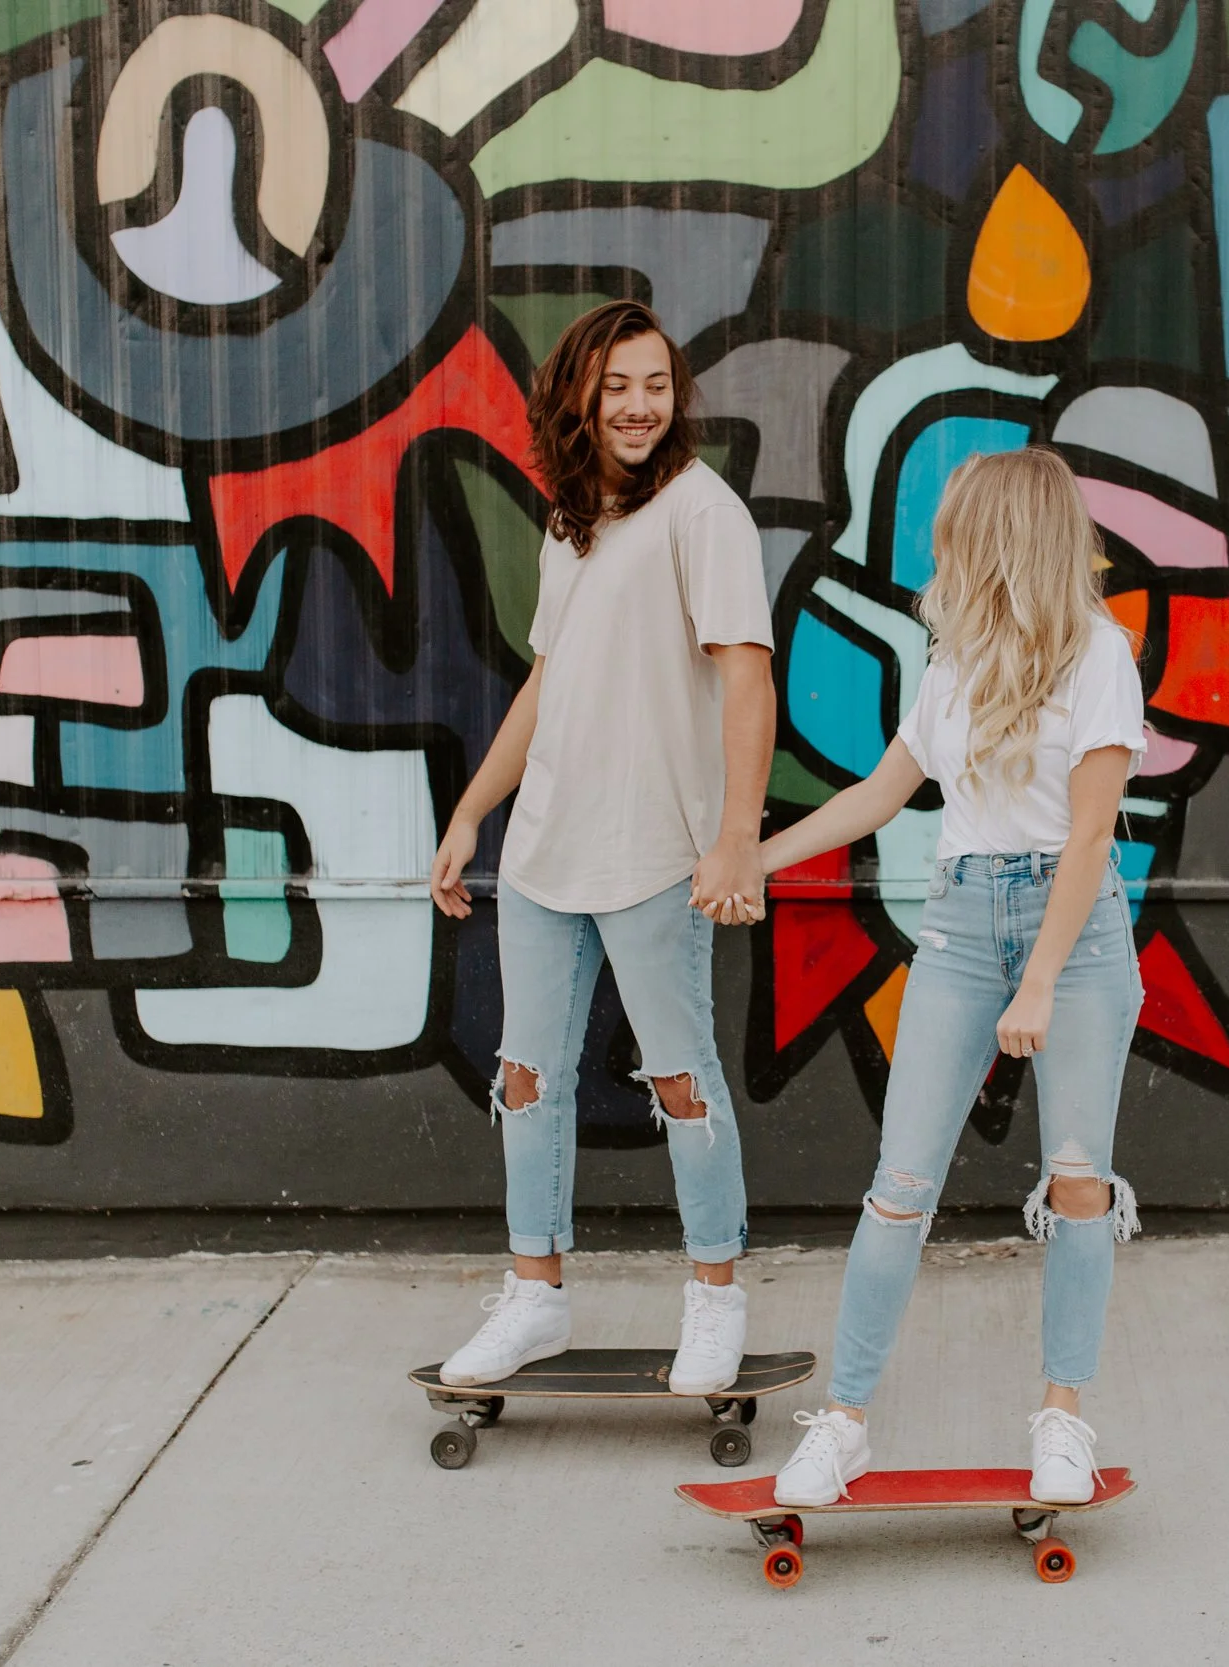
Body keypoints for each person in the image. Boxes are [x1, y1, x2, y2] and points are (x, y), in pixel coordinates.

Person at [758, 446, 1146, 1508]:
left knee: (1076, 1183)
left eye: (958, 531)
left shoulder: (1099, 656)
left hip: (1076, 934)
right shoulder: (952, 668)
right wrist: (759, 856)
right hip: (964, 920)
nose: (942, 550)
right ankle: (842, 1423)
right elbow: (881, 794)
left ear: (1001, 539)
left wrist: (1041, 981)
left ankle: (1062, 1418)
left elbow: (1088, 837)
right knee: (899, 1186)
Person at [428, 300, 775, 1396]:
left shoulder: (700, 510)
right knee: (526, 1078)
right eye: (617, 385)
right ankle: (536, 1297)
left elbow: (747, 677)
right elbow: (549, 678)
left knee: (682, 1079)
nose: (638, 405)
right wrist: (473, 809)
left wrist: (734, 841)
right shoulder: (576, 519)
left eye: (655, 385)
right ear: (577, 394)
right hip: (543, 852)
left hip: (654, 853)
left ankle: (715, 1299)